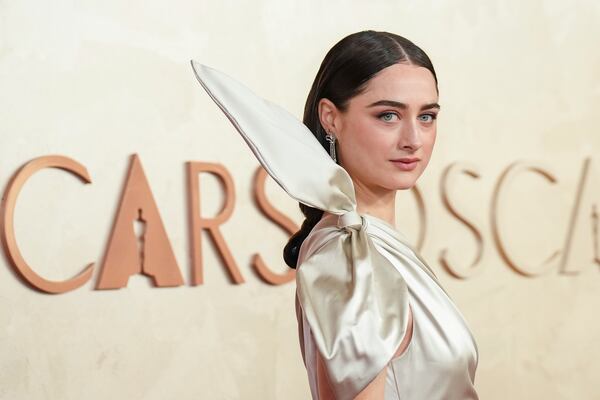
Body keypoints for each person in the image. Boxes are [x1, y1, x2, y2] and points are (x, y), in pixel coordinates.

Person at [190, 29, 479, 400]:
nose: (413, 139)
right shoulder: (349, 252)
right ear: (330, 117)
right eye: (388, 115)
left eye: (427, 117)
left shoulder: (361, 243)